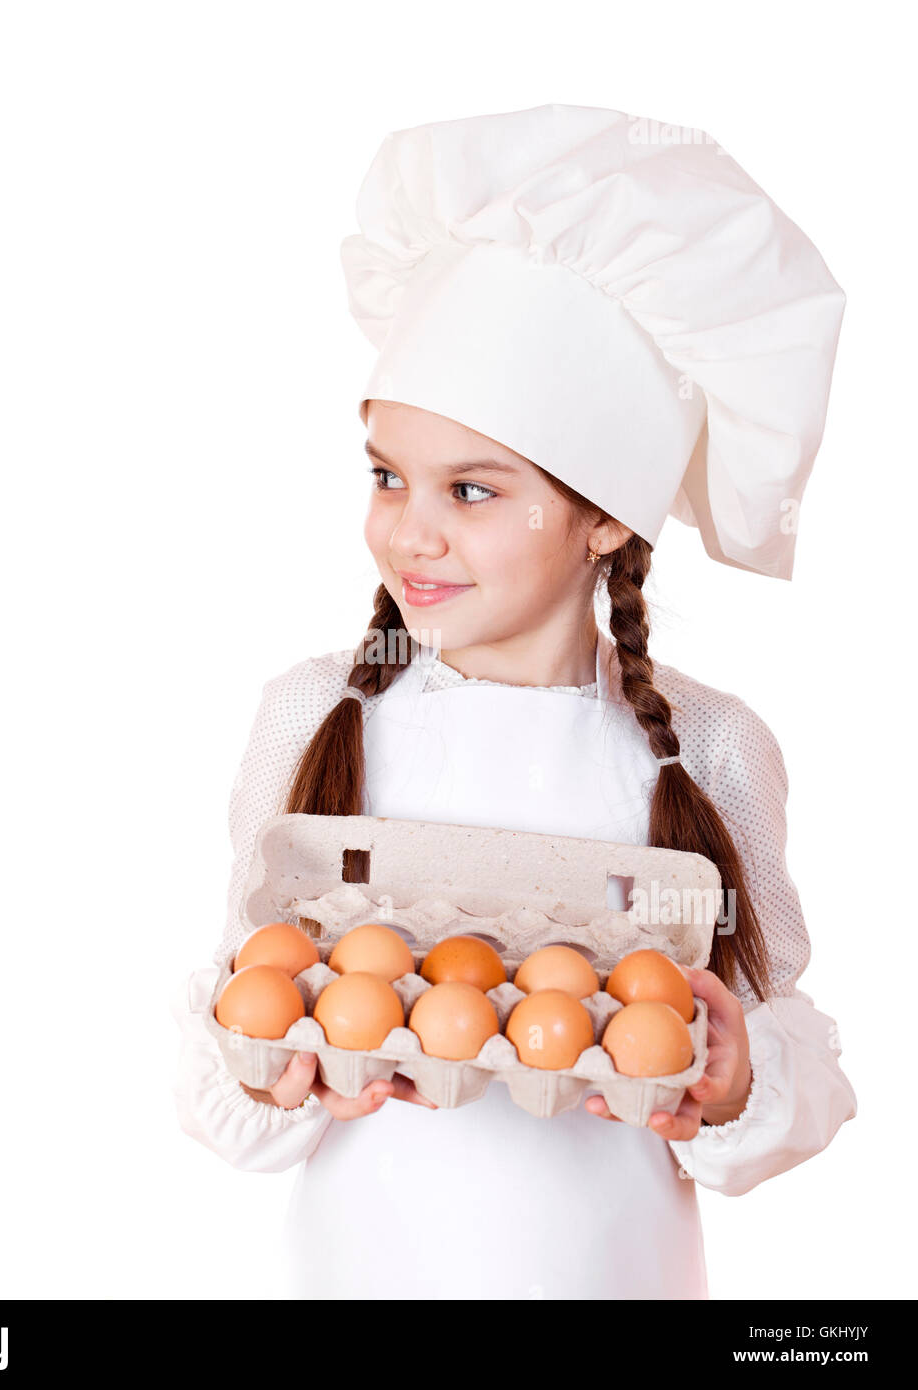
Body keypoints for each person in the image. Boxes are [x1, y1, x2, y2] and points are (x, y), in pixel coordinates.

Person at [171, 104, 858, 1299]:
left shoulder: (705, 750)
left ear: (603, 516)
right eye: (386, 475)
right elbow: (240, 1012)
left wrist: (742, 1079)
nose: (409, 530)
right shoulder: (313, 718)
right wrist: (262, 1073)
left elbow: (786, 1037)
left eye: (472, 489)